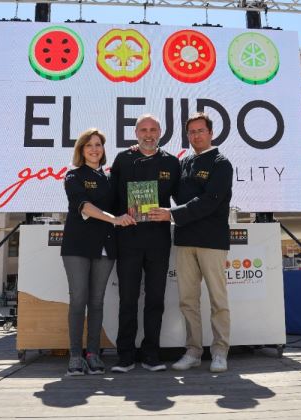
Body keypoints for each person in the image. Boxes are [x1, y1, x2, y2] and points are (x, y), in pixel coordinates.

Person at [149, 112, 233, 373]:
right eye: (192, 132)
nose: (196, 135)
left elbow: (210, 201)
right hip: (185, 239)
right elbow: (167, 190)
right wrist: (141, 156)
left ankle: (220, 352)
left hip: (212, 241)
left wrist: (172, 214)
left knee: (218, 300)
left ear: (211, 133)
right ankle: (193, 351)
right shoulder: (183, 163)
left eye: (200, 130)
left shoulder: (221, 163)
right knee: (188, 300)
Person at [61, 128, 136, 376]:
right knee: (79, 299)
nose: (95, 149)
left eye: (99, 145)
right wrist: (115, 220)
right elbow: (85, 207)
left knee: (96, 302)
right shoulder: (73, 176)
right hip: (77, 247)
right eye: (89, 145)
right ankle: (75, 356)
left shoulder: (109, 178)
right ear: (81, 150)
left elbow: (125, 203)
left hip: (106, 246)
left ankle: (92, 353)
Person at [109, 114, 181, 373]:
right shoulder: (123, 159)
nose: (148, 134)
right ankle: (125, 356)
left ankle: (151, 354)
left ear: (160, 132)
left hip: (159, 242)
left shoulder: (172, 163)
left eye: (153, 130)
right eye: (143, 130)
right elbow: (111, 198)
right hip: (127, 240)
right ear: (135, 133)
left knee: (156, 300)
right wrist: (118, 217)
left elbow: (181, 199)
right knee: (127, 299)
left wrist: (170, 212)